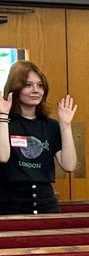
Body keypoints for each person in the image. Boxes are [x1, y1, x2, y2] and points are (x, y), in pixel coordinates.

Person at [0, 60, 76, 214]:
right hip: (9, 204)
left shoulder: (51, 125)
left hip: (45, 203)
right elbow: (3, 156)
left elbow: (69, 166)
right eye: (28, 85)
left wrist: (65, 125)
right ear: (15, 88)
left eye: (40, 85)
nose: (36, 90)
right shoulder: (4, 122)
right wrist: (3, 116)